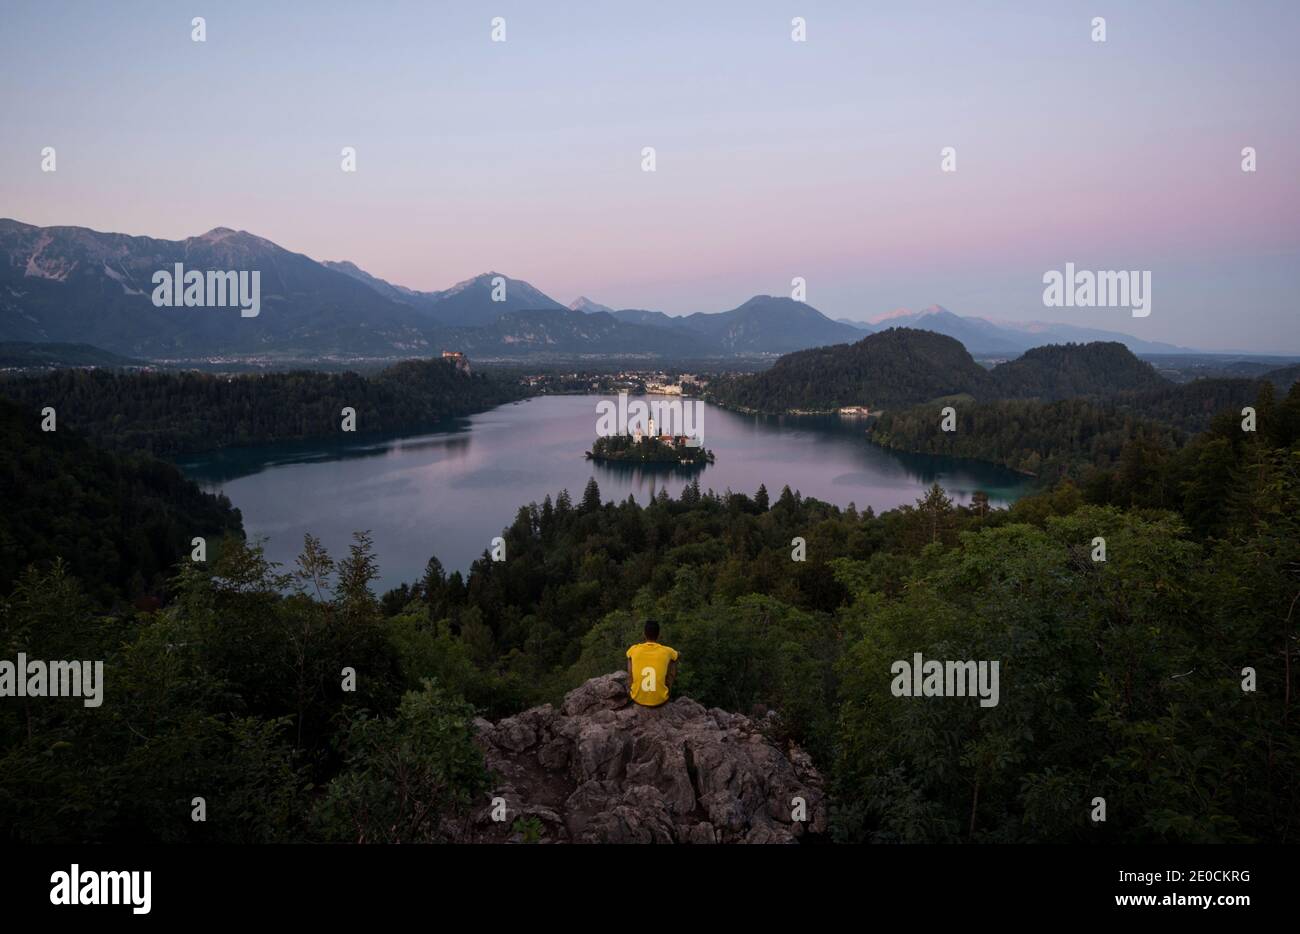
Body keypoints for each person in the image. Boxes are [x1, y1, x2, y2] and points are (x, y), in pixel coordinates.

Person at [625, 619, 679, 707]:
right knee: (673, 660)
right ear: (659, 635)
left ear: (644, 634)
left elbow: (628, 657)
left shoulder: (634, 649)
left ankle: (632, 687)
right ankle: (667, 687)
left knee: (630, 658)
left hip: (637, 698)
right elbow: (677, 655)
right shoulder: (667, 651)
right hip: (661, 700)